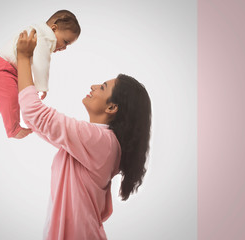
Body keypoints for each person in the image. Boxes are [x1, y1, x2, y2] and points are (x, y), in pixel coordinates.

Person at [17, 30, 152, 240]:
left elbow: (35, 114)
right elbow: (42, 124)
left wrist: (23, 58)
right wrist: (27, 123)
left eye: (103, 87)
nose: (93, 86)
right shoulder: (97, 142)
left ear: (112, 107)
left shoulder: (101, 141)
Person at [0, 10, 80, 139]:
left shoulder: (39, 32)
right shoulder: (46, 37)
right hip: (2, 69)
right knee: (11, 99)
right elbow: (42, 62)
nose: (64, 48)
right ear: (54, 28)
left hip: (10, 69)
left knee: (22, 99)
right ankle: (13, 129)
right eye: (66, 42)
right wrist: (42, 86)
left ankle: (22, 124)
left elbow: (33, 63)